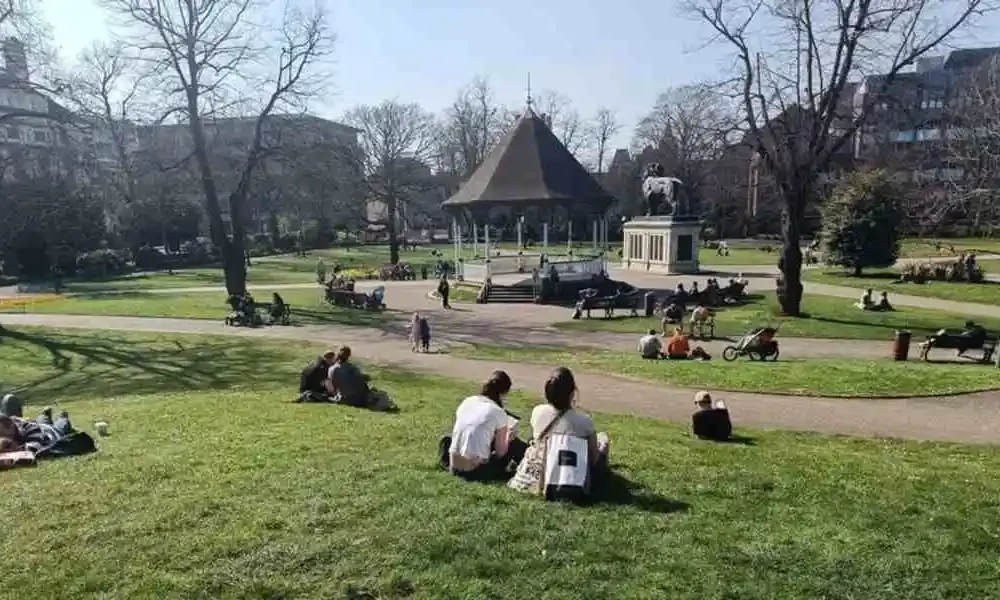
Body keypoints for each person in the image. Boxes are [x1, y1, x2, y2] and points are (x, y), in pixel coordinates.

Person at [508, 367, 610, 497]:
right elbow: (593, 459)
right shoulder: (584, 421)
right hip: (571, 473)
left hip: (541, 470)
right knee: (603, 439)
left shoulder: (538, 412)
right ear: (572, 393)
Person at [441, 370, 526, 481]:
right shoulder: (498, 412)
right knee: (515, 445)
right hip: (475, 471)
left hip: (454, 466)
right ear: (503, 394)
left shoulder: (468, 401)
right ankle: (524, 470)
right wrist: (508, 438)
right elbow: (500, 453)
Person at [326, 346, 393, 410]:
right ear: (348, 356)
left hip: (342, 399)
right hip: (358, 400)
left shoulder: (331, 369)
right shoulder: (352, 368)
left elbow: (332, 388)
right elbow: (363, 379)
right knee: (379, 394)